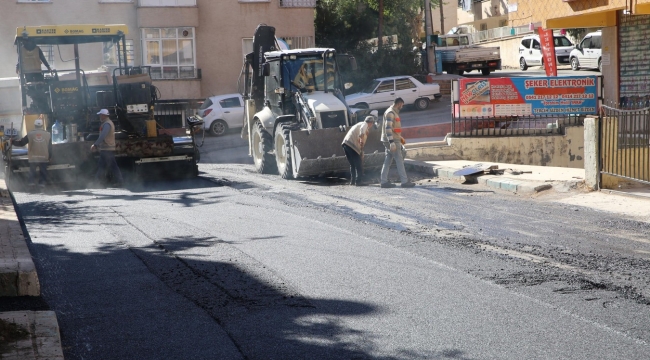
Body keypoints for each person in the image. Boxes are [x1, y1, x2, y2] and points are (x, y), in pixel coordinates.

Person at [380, 98, 415, 188]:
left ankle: (383, 181)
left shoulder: (392, 112)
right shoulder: (391, 113)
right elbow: (388, 128)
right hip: (392, 140)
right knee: (399, 159)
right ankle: (404, 181)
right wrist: (392, 142)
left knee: (388, 160)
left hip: (392, 139)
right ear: (399, 104)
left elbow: (393, 128)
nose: (402, 107)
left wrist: (399, 137)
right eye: (402, 105)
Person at [12, 117, 51, 187]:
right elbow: (50, 147)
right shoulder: (48, 134)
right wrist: (50, 156)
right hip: (44, 157)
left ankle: (31, 182)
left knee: (32, 171)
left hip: (33, 157)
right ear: (42, 125)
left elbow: (21, 143)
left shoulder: (30, 134)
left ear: (35, 125)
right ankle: (42, 183)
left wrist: (12, 142)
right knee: (43, 171)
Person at [91, 109, 123, 187]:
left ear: (104, 115)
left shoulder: (107, 124)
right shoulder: (106, 123)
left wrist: (95, 144)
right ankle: (98, 182)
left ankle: (119, 181)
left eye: (100, 115)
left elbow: (103, 136)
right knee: (102, 166)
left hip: (107, 148)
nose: (99, 116)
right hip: (106, 148)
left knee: (111, 166)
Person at [342, 116, 375, 186]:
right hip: (352, 145)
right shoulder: (364, 124)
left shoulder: (359, 124)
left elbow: (361, 144)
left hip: (346, 144)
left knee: (352, 164)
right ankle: (358, 181)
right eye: (372, 124)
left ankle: (353, 181)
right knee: (358, 164)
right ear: (371, 123)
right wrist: (361, 138)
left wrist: (361, 152)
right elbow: (362, 132)